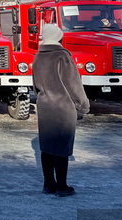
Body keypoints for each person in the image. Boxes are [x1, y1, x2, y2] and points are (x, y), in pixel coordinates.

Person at [32, 24, 90, 197]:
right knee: (61, 148)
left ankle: (48, 184)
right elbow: (74, 85)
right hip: (63, 107)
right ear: (58, 36)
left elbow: (35, 86)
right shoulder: (62, 56)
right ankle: (62, 186)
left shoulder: (38, 57)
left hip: (45, 106)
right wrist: (83, 105)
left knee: (47, 147)